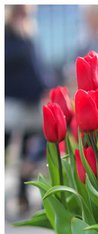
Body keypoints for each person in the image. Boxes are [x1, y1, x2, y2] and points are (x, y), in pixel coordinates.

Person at [4, 5, 50, 218]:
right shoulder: (7, 34)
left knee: (26, 152)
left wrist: (45, 86)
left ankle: (22, 196)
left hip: (30, 103)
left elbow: (37, 67)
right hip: (12, 102)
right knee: (6, 146)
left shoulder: (29, 32)